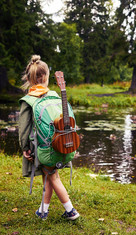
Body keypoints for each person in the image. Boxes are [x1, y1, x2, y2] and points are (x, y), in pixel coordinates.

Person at [18, 55, 80, 220]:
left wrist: (25, 148)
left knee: (53, 176)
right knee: (49, 176)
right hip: (60, 143)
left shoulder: (28, 100)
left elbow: (24, 129)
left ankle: (70, 210)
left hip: (43, 147)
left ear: (29, 78)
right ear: (46, 77)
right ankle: (43, 211)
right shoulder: (54, 96)